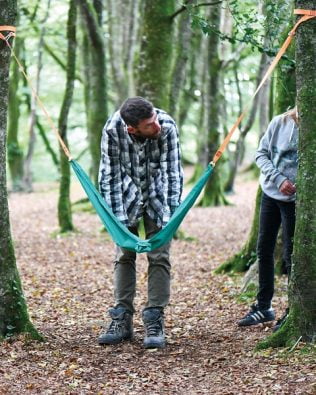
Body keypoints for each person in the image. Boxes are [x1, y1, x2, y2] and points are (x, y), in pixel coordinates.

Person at [98, 97, 183, 348]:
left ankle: (154, 317)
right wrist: (121, 225)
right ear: (132, 129)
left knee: (159, 255)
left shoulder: (166, 125)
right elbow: (109, 175)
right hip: (126, 194)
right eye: (149, 124)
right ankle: (121, 318)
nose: (156, 126)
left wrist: (168, 220)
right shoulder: (113, 130)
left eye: (155, 119)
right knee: (124, 254)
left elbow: (172, 173)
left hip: (159, 193)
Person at [238, 107, 298, 328]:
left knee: (293, 255)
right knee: (264, 248)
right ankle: (264, 307)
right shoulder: (280, 122)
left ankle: (295, 311)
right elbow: (261, 154)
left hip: (297, 201)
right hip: (271, 193)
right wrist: (279, 179)